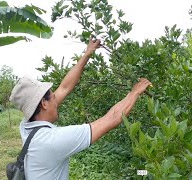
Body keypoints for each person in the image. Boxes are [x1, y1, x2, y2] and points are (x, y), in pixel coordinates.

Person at [9, 37, 152, 180]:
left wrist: (87, 54)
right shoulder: (53, 140)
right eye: (53, 97)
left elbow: (64, 88)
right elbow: (112, 118)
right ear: (43, 104)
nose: (56, 100)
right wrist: (135, 92)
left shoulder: (27, 125)